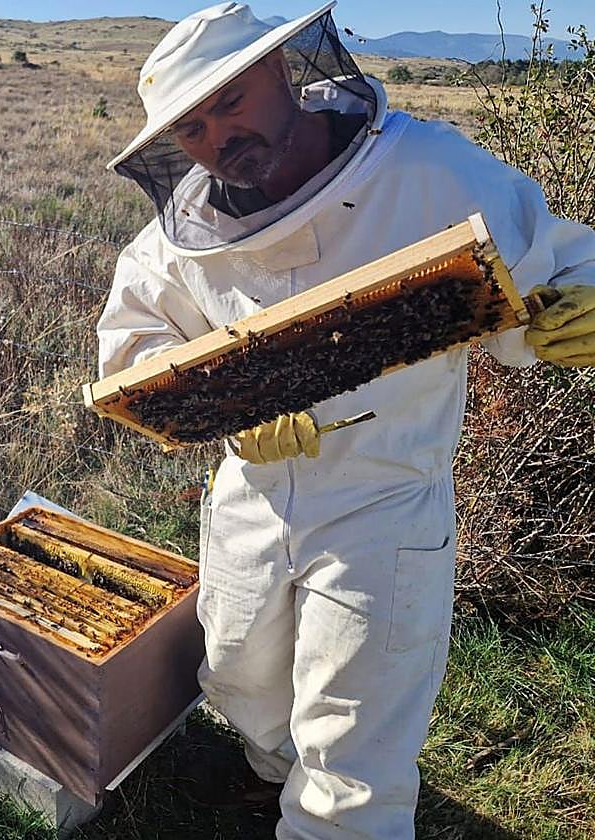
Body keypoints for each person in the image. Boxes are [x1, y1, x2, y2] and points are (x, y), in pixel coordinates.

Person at [96, 2, 595, 837]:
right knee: (239, 679)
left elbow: (559, 258)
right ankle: (276, 777)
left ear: (285, 73)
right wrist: (227, 412)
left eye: (233, 100)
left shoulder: (431, 171)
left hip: (384, 498)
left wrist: (582, 302)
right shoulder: (178, 239)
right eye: (192, 127)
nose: (220, 135)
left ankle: (331, 814)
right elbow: (133, 346)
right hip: (251, 496)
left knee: (352, 742)